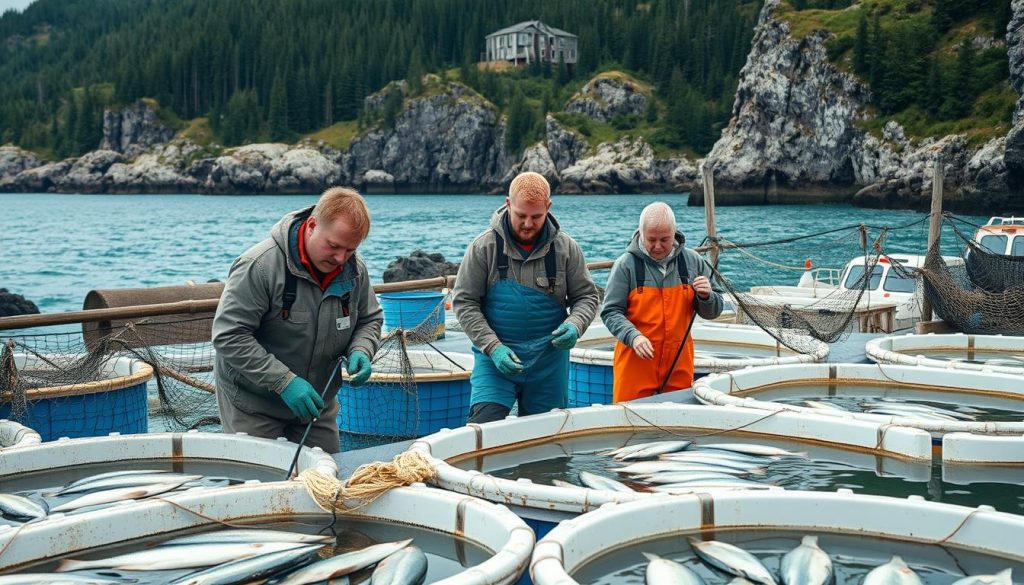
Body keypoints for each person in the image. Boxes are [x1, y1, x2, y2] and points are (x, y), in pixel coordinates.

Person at [212, 187, 383, 453]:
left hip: (316, 406)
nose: (340, 258)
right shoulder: (259, 266)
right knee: (259, 488)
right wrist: (284, 382)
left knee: (325, 482)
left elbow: (370, 319)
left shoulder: (354, 270)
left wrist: (362, 348)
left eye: (350, 250)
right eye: (334, 246)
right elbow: (229, 335)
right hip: (254, 406)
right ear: (312, 225)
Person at [453, 171, 600, 424]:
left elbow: (587, 297)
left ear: (549, 208)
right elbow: (464, 303)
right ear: (508, 204)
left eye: (536, 216)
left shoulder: (567, 249)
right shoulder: (483, 248)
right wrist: (493, 347)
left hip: (548, 362)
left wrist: (575, 325)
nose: (528, 224)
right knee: (483, 426)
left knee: (546, 439)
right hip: (495, 359)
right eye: (521, 215)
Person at [601, 201, 723, 403]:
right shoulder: (625, 265)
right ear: (640, 233)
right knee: (632, 426)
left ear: (674, 233)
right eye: (651, 239)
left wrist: (706, 296)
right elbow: (610, 312)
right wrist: (634, 337)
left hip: (679, 365)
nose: (657, 246)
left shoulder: (693, 261)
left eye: (665, 240)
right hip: (635, 364)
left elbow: (714, 310)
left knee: (677, 427)